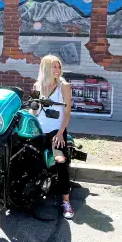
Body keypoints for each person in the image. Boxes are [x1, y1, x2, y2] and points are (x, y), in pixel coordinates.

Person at [30, 55, 74, 219]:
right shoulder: (37, 85)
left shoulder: (64, 86)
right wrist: (33, 107)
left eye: (58, 67)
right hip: (39, 130)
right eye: (53, 67)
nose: (57, 70)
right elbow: (34, 112)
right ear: (45, 68)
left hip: (56, 131)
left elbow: (67, 112)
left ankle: (66, 201)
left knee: (60, 161)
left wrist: (61, 132)